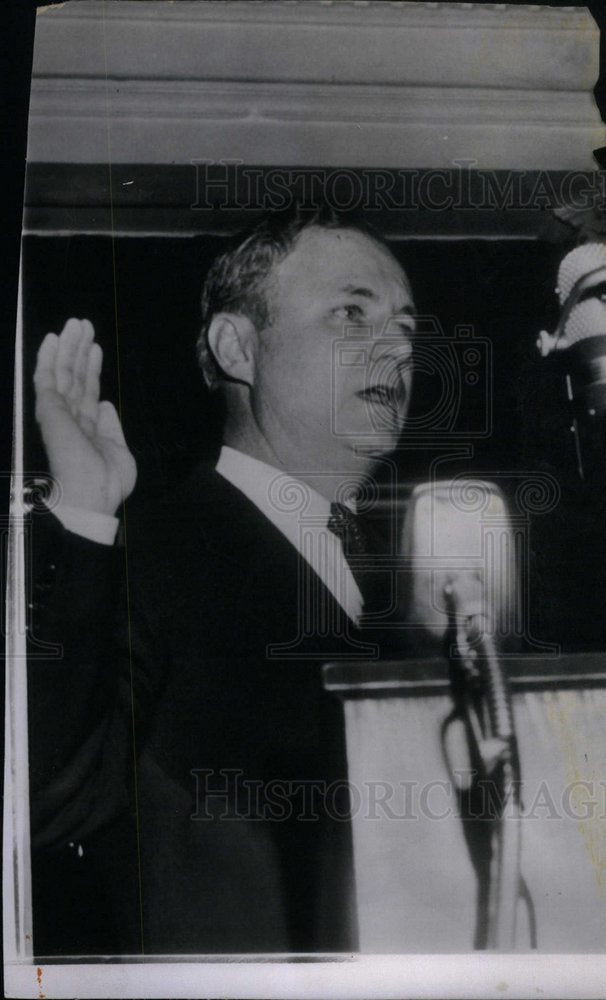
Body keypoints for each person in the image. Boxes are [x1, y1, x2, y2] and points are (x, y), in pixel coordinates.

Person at [27, 209, 416, 954]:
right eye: (351, 313)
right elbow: (46, 802)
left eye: (405, 324)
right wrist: (83, 513)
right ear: (238, 346)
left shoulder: (414, 577)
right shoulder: (145, 552)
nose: (397, 347)